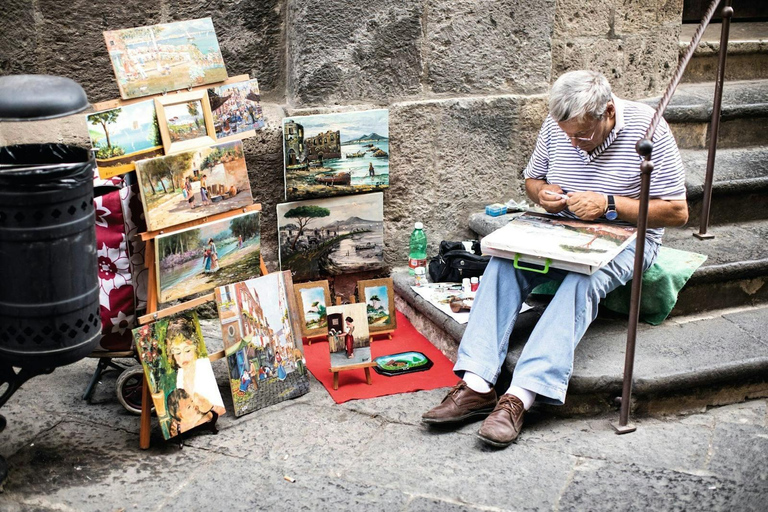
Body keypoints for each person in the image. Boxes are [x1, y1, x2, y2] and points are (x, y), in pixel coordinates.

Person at [422, 70, 688, 448]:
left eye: (582, 135)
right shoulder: (558, 124)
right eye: (567, 135)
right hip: (558, 227)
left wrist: (609, 204)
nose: (574, 143)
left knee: (584, 278)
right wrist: (542, 192)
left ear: (608, 112)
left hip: (628, 235)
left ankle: (520, 396)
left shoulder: (650, 131)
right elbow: (533, 180)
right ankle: (478, 384)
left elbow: (677, 212)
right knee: (502, 262)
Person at [166, 318, 226, 417]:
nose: (182, 357)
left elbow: (220, 410)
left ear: (195, 347)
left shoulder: (203, 368)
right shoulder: (180, 375)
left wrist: (210, 407)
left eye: (187, 350)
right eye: (177, 352)